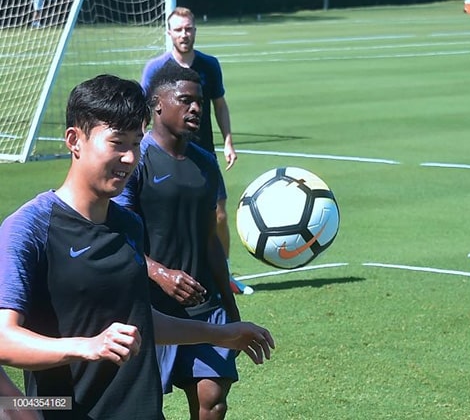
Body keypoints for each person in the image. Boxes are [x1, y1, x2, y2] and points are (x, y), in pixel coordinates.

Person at [0, 75, 274, 420]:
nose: (130, 158)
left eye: (137, 142)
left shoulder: (128, 224)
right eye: (117, 142)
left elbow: (140, 319)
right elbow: (3, 339)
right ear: (75, 140)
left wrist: (220, 334)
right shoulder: (30, 228)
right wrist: (87, 346)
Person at [115, 64, 246, 420]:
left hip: (205, 306)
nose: (196, 109)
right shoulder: (135, 161)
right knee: (141, 409)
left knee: (213, 401)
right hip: (150, 309)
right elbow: (116, 236)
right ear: (157, 105)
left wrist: (230, 309)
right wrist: (158, 273)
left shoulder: (205, 163)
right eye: (185, 100)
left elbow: (209, 239)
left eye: (199, 102)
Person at [141, 6, 251, 296]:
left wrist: (228, 140)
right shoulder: (156, 69)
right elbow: (145, 108)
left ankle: (223, 274)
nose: (184, 34)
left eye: (188, 28)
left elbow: (220, 104)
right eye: (178, 29)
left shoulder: (209, 65)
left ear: (195, 31)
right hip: (166, 155)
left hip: (202, 154)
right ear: (169, 32)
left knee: (219, 215)